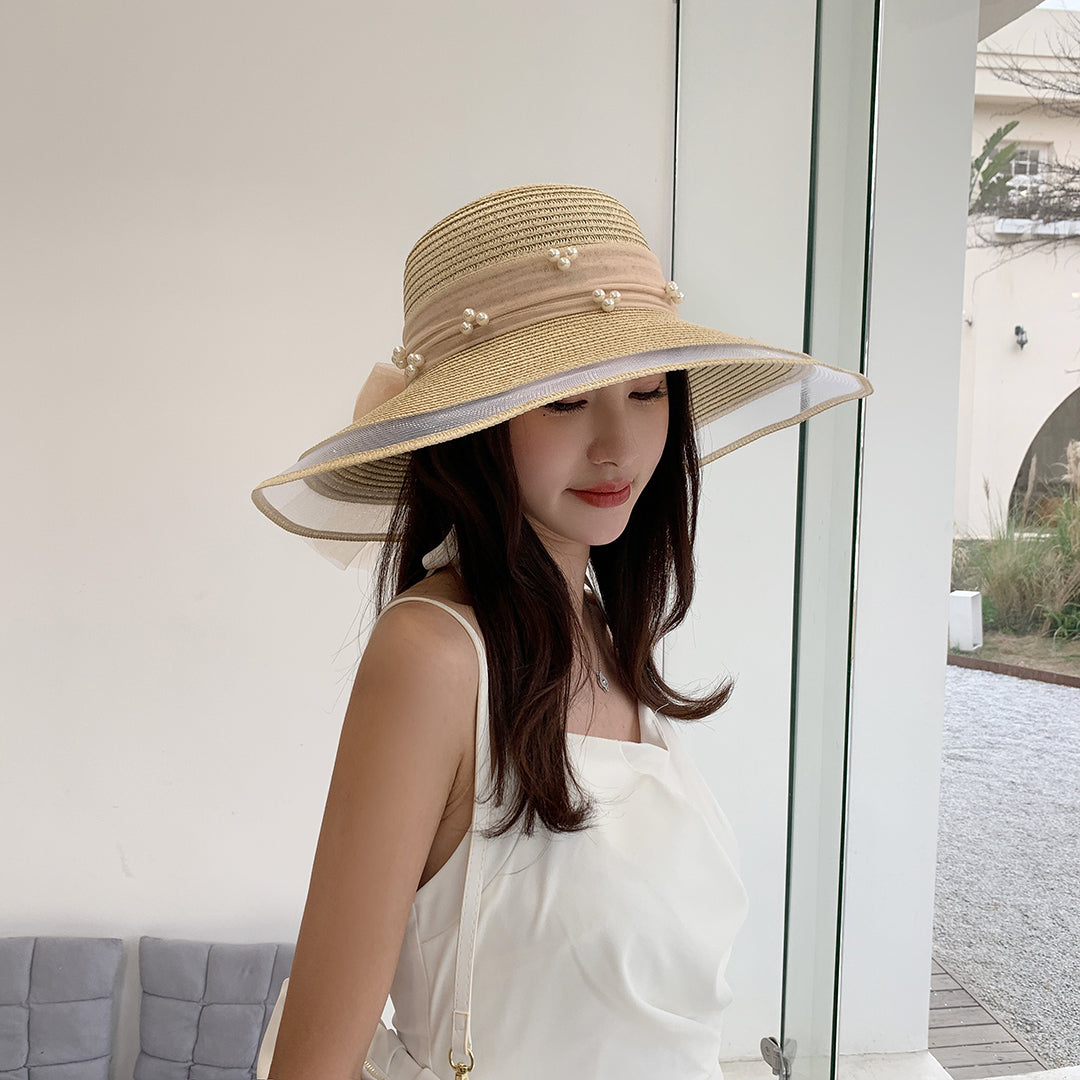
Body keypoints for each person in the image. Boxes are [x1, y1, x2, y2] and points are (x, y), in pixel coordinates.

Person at [251, 184, 872, 1080]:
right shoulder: (432, 657)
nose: (620, 445)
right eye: (566, 402)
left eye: (648, 390)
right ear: (474, 428)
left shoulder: (603, 632)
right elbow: (312, 1065)